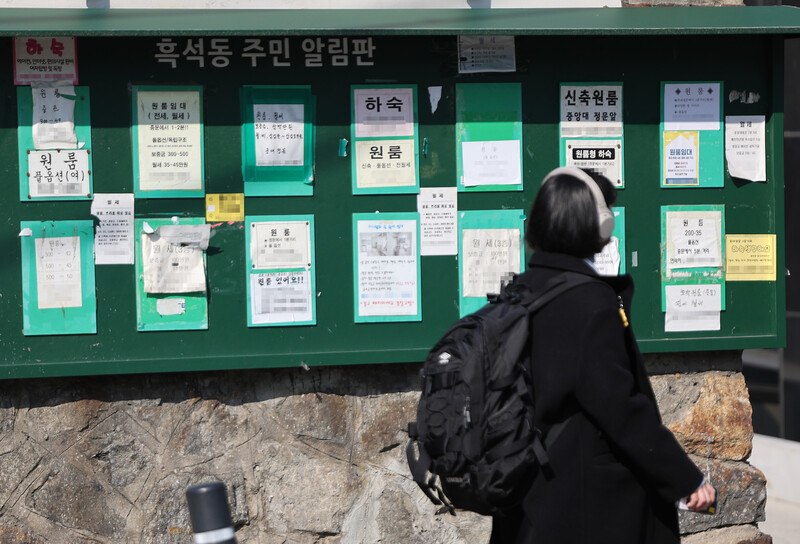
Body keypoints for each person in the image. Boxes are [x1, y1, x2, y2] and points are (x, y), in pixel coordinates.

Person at [490, 167, 715, 544]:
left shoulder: (519, 292)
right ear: (598, 224)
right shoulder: (589, 302)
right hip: (587, 501)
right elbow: (620, 409)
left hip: (528, 491)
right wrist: (685, 478)